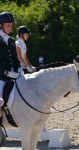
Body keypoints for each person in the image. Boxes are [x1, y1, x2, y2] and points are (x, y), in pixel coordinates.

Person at [0, 12, 24, 144]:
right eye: (7, 25)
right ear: (0, 25)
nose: (10, 27)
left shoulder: (10, 40)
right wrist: (6, 72)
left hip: (13, 74)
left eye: (11, 25)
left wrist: (19, 69)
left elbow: (15, 58)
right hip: (0, 77)